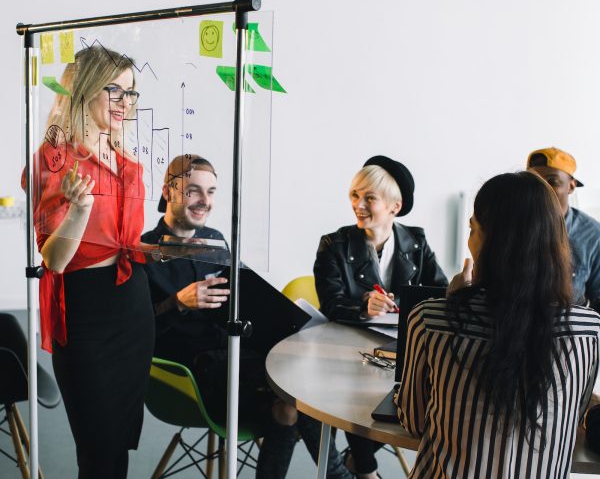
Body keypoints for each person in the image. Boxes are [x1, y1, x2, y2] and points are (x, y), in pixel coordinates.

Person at [141, 154, 352, 479]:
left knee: (290, 404)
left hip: (240, 362)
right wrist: (178, 302)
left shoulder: (215, 242)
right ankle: (341, 475)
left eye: (211, 192)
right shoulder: (144, 251)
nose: (204, 201)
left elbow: (248, 295)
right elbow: (135, 332)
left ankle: (339, 473)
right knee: (298, 392)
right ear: (168, 192)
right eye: (193, 191)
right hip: (189, 374)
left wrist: (281, 312)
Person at [397, 171, 600, 478]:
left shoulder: (430, 320)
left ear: (489, 241)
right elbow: (573, 416)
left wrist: (453, 304)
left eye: (472, 229)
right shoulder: (588, 330)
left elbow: (412, 421)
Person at [27, 46, 154, 478]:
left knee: (117, 449)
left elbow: (129, 243)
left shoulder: (129, 165)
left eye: (131, 93)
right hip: (85, 316)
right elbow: (54, 260)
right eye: (113, 89)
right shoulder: (54, 160)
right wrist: (79, 210)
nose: (124, 102)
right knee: (96, 449)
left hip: (133, 312)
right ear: (83, 90)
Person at [314, 155, 448, 479]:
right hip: (346, 354)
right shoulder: (333, 244)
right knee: (353, 395)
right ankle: (367, 471)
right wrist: (364, 304)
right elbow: (331, 304)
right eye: (354, 196)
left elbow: (440, 294)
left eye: (368, 198)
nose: (358, 205)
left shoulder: (417, 242)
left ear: (394, 207)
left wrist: (399, 304)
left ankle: (356, 464)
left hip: (400, 353)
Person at [526, 147, 600, 312]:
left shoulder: (593, 235)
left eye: (552, 181)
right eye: (535, 182)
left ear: (571, 186)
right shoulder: (508, 224)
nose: (543, 190)